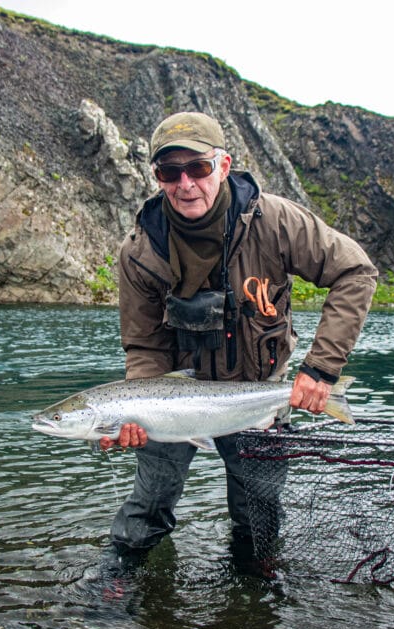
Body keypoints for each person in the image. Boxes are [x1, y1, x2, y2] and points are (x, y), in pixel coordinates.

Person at [104, 111, 377, 564]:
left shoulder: (276, 221)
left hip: (259, 396)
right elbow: (145, 346)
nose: (185, 183)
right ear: (157, 177)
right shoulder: (140, 251)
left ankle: (255, 595)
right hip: (174, 404)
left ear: (224, 166)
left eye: (198, 168)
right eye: (170, 172)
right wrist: (140, 413)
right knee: (146, 510)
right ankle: (119, 585)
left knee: (258, 519)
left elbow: (356, 271)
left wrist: (320, 369)